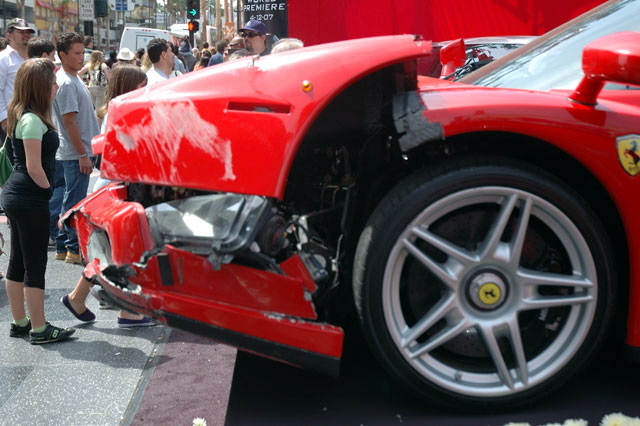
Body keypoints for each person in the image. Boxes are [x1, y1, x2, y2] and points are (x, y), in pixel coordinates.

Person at [62, 64, 154, 328]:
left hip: (115, 187)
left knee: (111, 250)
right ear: (128, 88)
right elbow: (125, 152)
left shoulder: (117, 110)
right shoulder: (121, 112)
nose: (145, 90)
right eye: (140, 86)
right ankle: (127, 311)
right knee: (120, 249)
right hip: (117, 188)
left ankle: (79, 299)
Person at [2, 58, 75, 344]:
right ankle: (39, 328)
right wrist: (48, 194)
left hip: (17, 195)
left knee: (18, 261)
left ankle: (20, 322)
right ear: (40, 86)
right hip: (28, 196)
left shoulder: (22, 115)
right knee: (34, 265)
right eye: (52, 82)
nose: (56, 86)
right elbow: (34, 167)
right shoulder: (32, 119)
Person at [52, 32, 100, 264]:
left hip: (79, 150)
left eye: (83, 52)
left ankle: (66, 246)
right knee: (74, 202)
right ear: (62, 55)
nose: (82, 57)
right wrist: (82, 154)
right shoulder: (67, 83)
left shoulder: (72, 78)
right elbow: (69, 121)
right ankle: (71, 246)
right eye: (77, 53)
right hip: (75, 152)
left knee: (72, 199)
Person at [0, 18, 34, 144]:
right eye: (21, 32)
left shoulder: (32, 57)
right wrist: (4, 119)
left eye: (28, 32)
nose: (26, 35)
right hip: (13, 121)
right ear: (9, 35)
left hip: (35, 118)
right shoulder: (3, 59)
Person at [79, 50, 111, 121]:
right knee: (99, 110)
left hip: (91, 88)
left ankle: (94, 123)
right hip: (101, 88)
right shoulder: (102, 65)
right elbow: (108, 77)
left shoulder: (89, 65)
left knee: (95, 107)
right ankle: (98, 127)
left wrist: (83, 84)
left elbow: (79, 73)